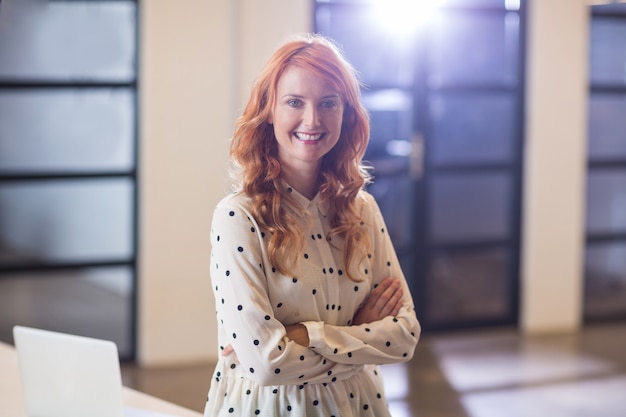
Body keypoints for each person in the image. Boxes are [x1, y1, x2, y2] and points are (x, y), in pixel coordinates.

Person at [203, 33, 420, 417]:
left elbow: (404, 337)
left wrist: (308, 335)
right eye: (294, 102)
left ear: (345, 113)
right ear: (269, 110)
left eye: (328, 103)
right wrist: (361, 330)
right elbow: (267, 364)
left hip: (358, 404)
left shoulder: (363, 209)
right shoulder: (238, 217)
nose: (312, 119)